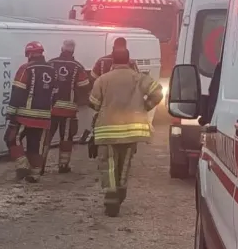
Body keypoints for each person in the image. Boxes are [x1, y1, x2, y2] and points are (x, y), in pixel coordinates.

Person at [89, 48, 164, 217]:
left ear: (112, 61)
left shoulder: (103, 79)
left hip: (107, 130)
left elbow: (93, 102)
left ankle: (111, 197)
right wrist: (146, 106)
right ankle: (121, 192)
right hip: (132, 129)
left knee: (108, 163)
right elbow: (158, 93)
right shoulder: (139, 78)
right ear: (129, 60)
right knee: (125, 163)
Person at [4, 41, 55, 182]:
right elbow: (56, 94)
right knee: (35, 145)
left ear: (29, 54)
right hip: (44, 118)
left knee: (11, 138)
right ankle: (35, 174)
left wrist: (11, 112)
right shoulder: (52, 70)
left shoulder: (26, 69)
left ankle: (22, 165)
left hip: (24, 116)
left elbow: (18, 92)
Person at [47, 39, 91, 173]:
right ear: (73, 51)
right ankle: (63, 166)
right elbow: (85, 86)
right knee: (66, 139)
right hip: (68, 111)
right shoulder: (77, 67)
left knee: (45, 138)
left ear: (61, 49)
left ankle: (39, 166)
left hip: (50, 109)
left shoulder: (50, 64)